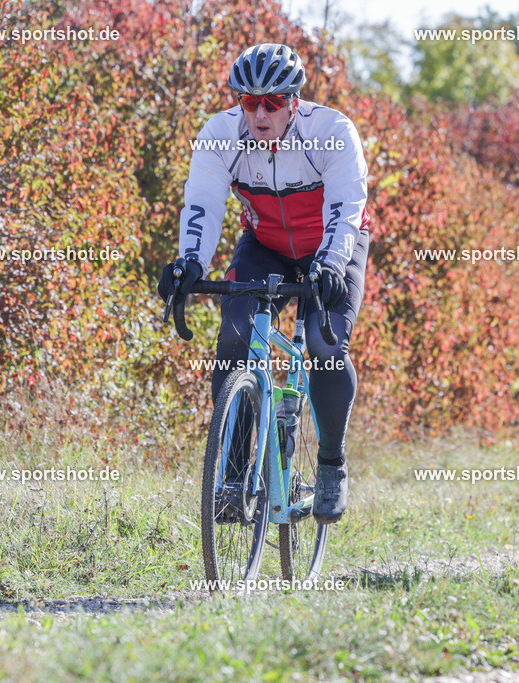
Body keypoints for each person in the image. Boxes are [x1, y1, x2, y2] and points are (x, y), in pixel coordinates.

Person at [156, 43, 370, 524]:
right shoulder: (220, 134)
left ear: (294, 100)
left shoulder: (331, 132)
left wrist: (332, 264)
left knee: (324, 343)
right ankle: (232, 478)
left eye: (272, 102)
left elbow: (345, 208)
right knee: (234, 334)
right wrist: (189, 263)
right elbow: (203, 203)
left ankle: (332, 464)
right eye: (248, 102)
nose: (259, 113)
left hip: (332, 245)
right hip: (266, 243)